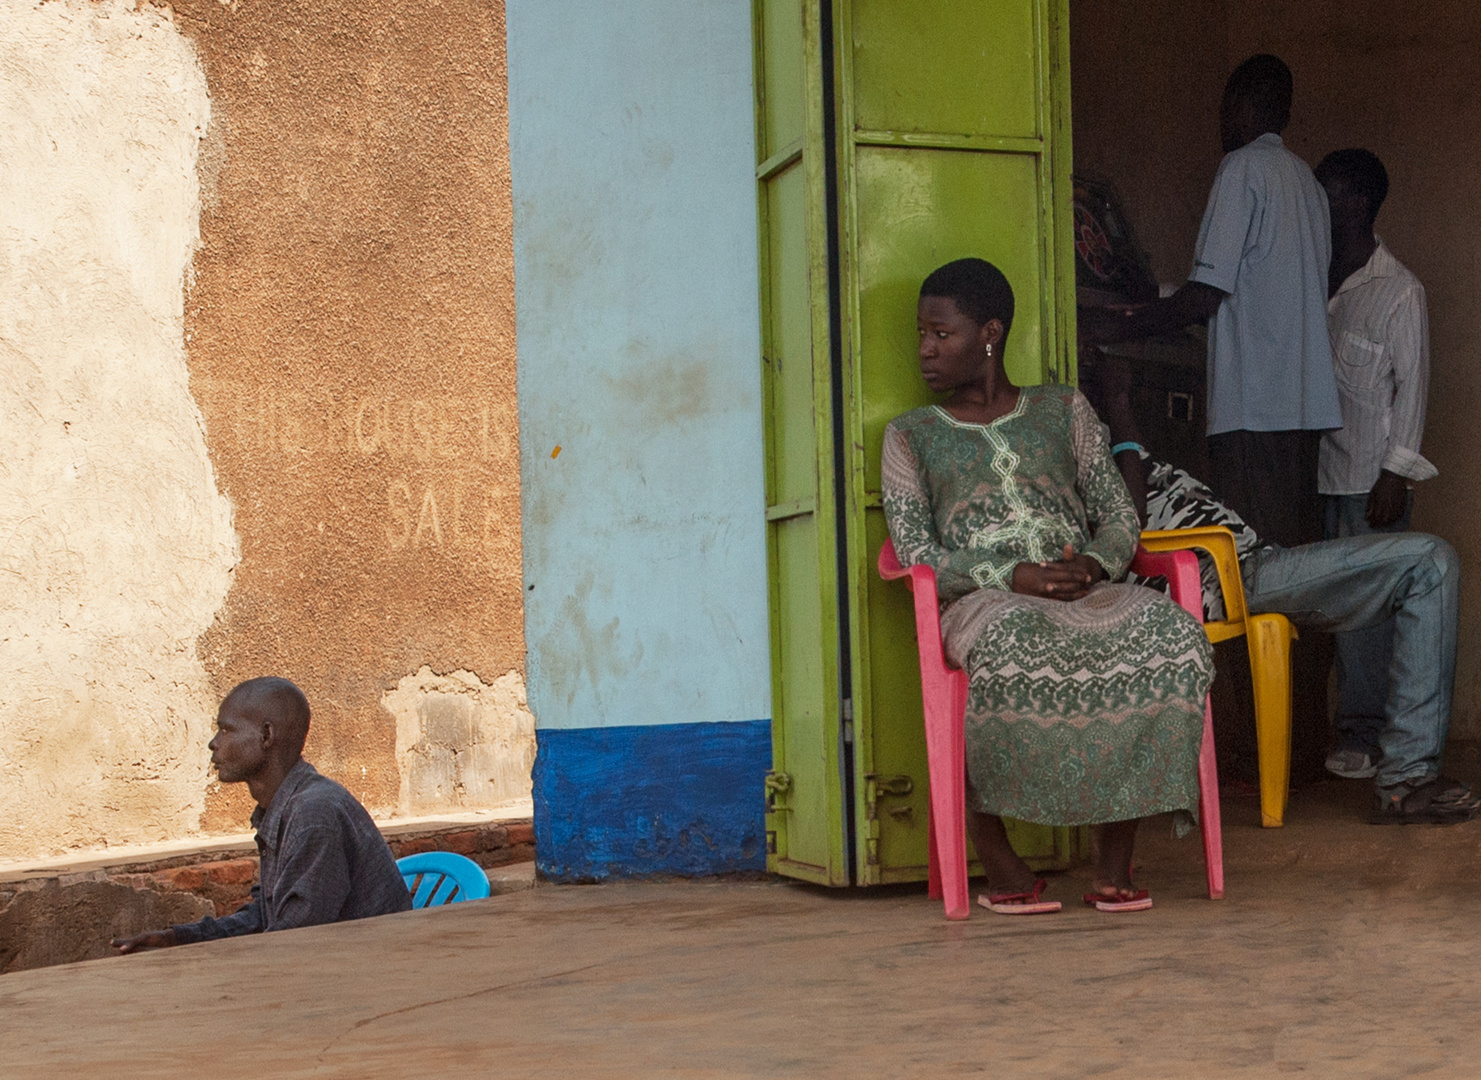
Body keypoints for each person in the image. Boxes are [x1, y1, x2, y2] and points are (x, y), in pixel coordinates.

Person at [882, 258, 1214, 915]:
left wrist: (1093, 565)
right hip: (985, 601)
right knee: (1012, 646)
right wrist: (1012, 575)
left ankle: (1114, 861)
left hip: (1083, 586)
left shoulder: (1064, 409)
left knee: (1167, 632)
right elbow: (915, 550)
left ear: (989, 334)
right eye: (920, 334)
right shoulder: (911, 436)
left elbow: (1118, 513)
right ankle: (1003, 865)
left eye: (939, 333)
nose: (924, 349)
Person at [1083, 356, 1474, 824]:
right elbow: (1127, 523)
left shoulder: (1111, 449)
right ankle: (1406, 781)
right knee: (1430, 562)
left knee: (1430, 565)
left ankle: (1407, 777)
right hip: (1232, 575)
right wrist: (1119, 408)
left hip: (1253, 562)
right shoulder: (1088, 457)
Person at [1080, 54, 1340, 549]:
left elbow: (1205, 297)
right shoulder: (1308, 183)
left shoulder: (1241, 167)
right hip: (1304, 406)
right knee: (1295, 549)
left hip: (1255, 406)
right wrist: (1149, 297)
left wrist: (1114, 328)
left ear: (1240, 102)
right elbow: (1258, 284)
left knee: (1252, 550)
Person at [113, 677, 411, 952]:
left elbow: (292, 941)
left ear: (266, 736)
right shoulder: (284, 807)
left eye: (227, 729)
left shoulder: (314, 815)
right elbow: (265, 917)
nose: (214, 743)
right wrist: (179, 938)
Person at [1314, 148, 1436, 781]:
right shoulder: (1309, 274)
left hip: (1369, 482)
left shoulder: (1398, 290)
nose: (1316, 208)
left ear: (1357, 204)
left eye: (1325, 196)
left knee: (1365, 619)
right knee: (1323, 613)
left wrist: (1396, 474)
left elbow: (1411, 391)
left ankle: (1363, 736)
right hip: (1314, 477)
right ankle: (1333, 731)